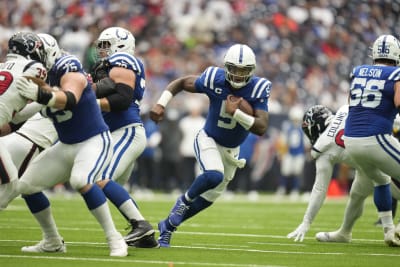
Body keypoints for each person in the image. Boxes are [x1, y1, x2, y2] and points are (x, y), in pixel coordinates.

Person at [12, 32, 128, 256]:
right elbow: (17, 119)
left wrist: (42, 95)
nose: (31, 62)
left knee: (80, 180)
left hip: (93, 140)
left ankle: (115, 238)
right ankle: (52, 241)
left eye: (34, 56)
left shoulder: (67, 65)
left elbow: (70, 97)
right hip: (66, 145)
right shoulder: (39, 79)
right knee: (25, 186)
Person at [150, 43, 271, 247]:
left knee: (208, 199)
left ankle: (168, 226)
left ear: (251, 71)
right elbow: (181, 82)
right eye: (234, 69)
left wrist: (237, 113)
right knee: (214, 175)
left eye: (243, 71)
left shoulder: (258, 88)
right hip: (209, 138)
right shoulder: (214, 78)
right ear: (226, 67)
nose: (238, 75)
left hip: (233, 150)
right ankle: (183, 201)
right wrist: (161, 103)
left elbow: (261, 127)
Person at [287, 104, 400, 243]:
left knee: (381, 179)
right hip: (378, 145)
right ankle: (345, 232)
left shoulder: (323, 147)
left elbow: (319, 189)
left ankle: (390, 230)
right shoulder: (344, 109)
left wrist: (306, 222)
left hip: (377, 154)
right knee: (357, 193)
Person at [91, 26, 158, 248]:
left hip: (126, 130)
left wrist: (88, 97)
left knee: (99, 177)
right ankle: (145, 236)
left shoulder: (123, 60)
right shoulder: (111, 64)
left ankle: (141, 225)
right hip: (117, 133)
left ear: (120, 45)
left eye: (105, 45)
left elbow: (121, 99)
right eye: (100, 46)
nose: (101, 50)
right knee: (111, 186)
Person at [339, 34, 400, 246]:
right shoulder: (396, 74)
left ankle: (388, 231)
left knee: (381, 180)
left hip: (351, 140)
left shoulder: (358, 71)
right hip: (375, 137)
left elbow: (351, 104)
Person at [0, 32, 47, 210]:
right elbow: (43, 94)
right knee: (12, 183)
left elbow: (15, 114)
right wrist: (53, 96)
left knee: (11, 180)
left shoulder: (3, 66)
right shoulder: (34, 66)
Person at [275, 105, 305, 200]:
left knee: (297, 172)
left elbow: (306, 143)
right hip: (288, 152)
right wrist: (281, 153)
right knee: (285, 171)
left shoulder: (303, 129)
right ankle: (282, 188)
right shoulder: (287, 127)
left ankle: (295, 190)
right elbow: (283, 141)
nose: (296, 121)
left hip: (299, 153)